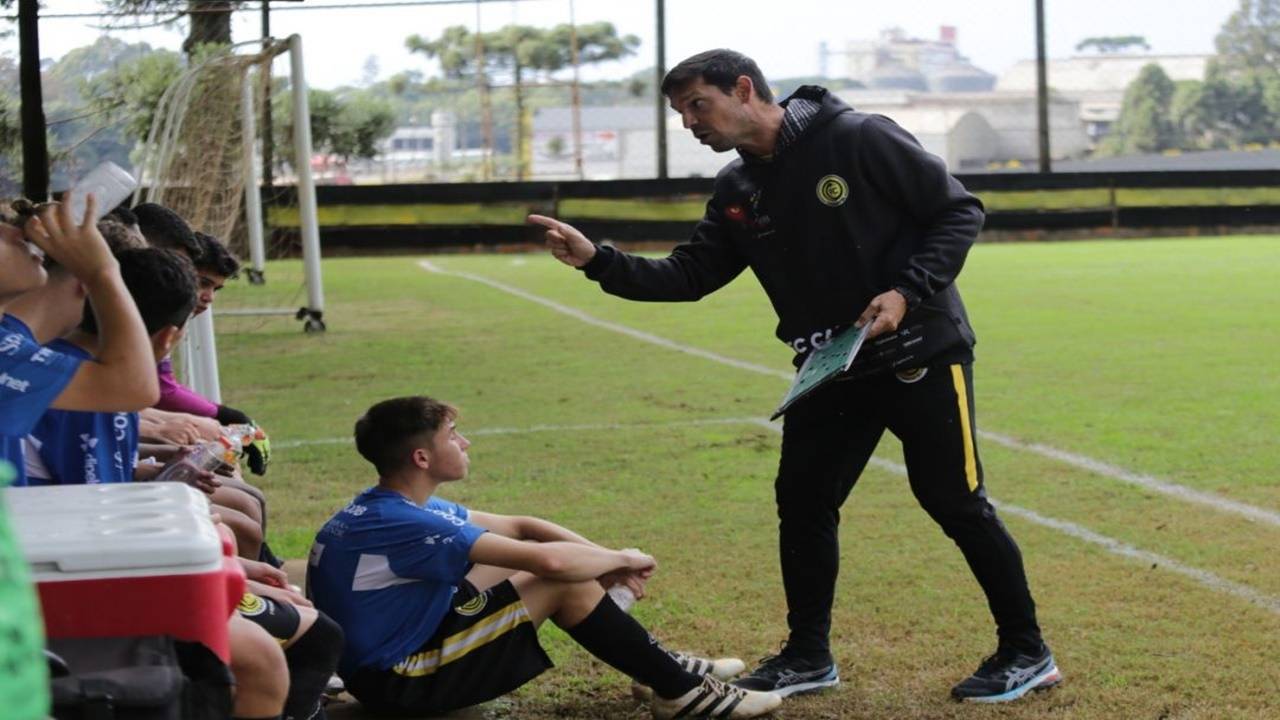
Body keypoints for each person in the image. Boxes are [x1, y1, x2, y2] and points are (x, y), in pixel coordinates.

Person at [527, 48, 1060, 704]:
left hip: (919, 352)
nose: (691, 122)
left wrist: (905, 291)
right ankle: (809, 655)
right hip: (829, 367)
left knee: (954, 502)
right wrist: (598, 260)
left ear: (744, 89)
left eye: (699, 105)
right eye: (680, 113)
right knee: (804, 504)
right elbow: (690, 275)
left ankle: (1027, 650)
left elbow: (959, 211)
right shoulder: (736, 188)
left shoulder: (861, 137)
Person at [308, 396, 782, 719]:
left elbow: (522, 527)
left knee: (534, 561)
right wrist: (622, 556)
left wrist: (605, 559)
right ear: (421, 458)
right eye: (453, 435)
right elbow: (552, 566)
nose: (466, 442)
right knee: (560, 579)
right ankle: (681, 693)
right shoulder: (408, 522)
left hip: (401, 648)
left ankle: (660, 669)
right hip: (400, 681)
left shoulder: (394, 505)